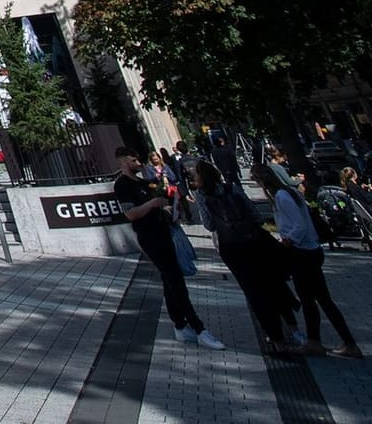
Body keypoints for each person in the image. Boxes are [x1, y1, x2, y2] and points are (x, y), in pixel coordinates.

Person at [114, 145, 224, 349]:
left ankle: (180, 326)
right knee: (175, 280)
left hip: (164, 231)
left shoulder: (143, 181)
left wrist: (167, 204)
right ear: (122, 161)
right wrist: (151, 204)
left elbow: (161, 197)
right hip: (149, 236)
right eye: (134, 160)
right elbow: (130, 214)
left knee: (170, 278)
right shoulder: (122, 185)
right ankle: (199, 329)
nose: (139, 163)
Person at [194, 162, 300, 355]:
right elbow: (255, 214)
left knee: (254, 291)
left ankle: (277, 340)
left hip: (231, 247)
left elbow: (209, 224)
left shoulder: (201, 195)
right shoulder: (231, 188)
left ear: (199, 178)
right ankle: (295, 329)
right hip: (254, 240)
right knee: (273, 282)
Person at [260, 164, 360, 357]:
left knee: (315, 300)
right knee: (314, 300)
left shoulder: (282, 196)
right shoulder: (292, 193)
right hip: (310, 250)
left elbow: (298, 224)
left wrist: (289, 239)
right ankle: (326, 342)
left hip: (301, 252)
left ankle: (340, 343)